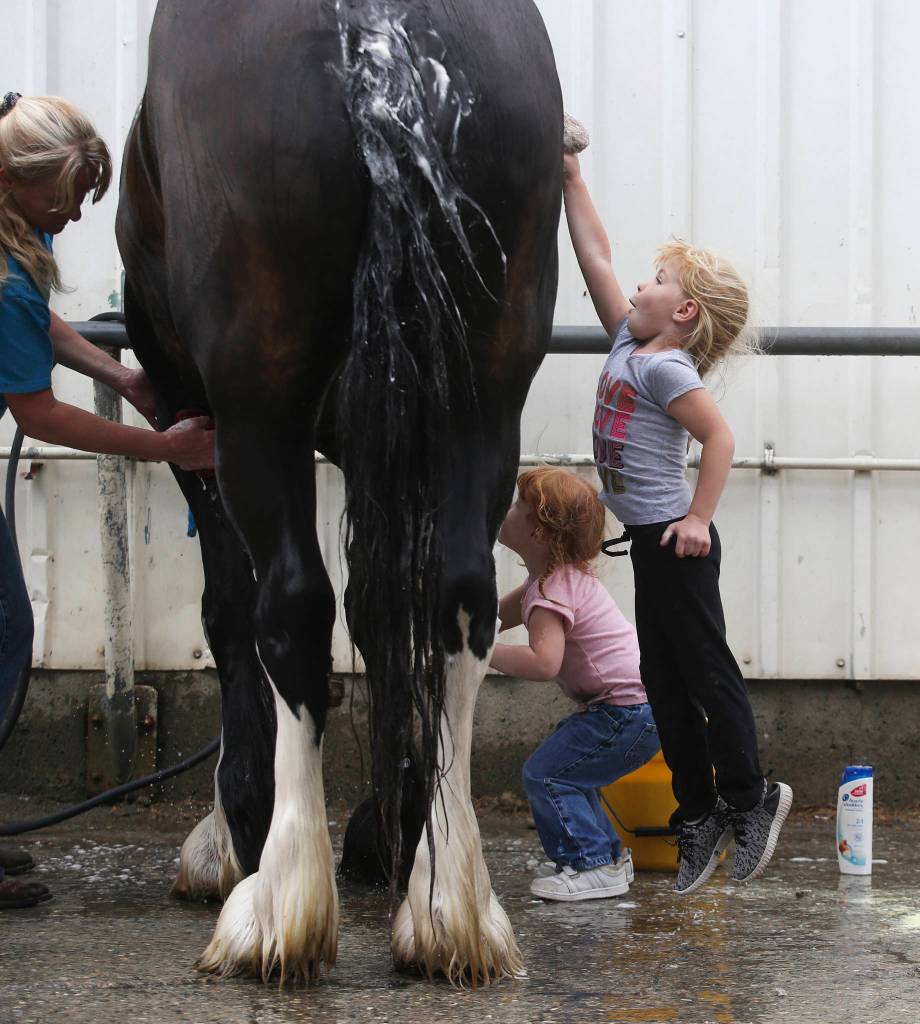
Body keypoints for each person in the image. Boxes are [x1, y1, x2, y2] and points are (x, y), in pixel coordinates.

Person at [0, 92, 215, 909]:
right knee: (5, 632)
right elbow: (37, 410)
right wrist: (165, 447)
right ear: (10, 180)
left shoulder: (12, 231)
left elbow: (38, 323)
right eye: (62, 197)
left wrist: (118, 372)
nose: (75, 213)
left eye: (88, 195)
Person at [562, 145, 792, 895]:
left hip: (678, 544)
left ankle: (752, 799)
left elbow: (719, 438)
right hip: (653, 546)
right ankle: (698, 812)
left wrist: (698, 517)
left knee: (703, 673)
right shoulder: (631, 341)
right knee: (662, 681)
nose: (638, 283)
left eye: (656, 281)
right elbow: (596, 258)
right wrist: (570, 176)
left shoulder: (666, 369)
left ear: (684, 311)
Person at [490, 466, 660, 902]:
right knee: (572, 776)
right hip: (638, 709)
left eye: (517, 506)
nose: (506, 511)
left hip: (625, 712)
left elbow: (545, 663)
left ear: (540, 532)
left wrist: (478, 654)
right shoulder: (550, 579)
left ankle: (591, 864)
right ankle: (607, 860)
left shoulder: (552, 591)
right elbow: (496, 614)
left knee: (546, 775)